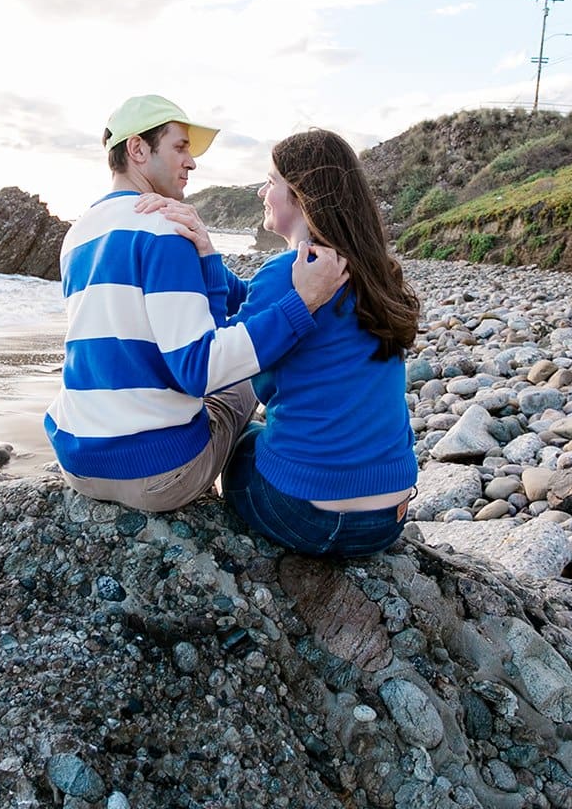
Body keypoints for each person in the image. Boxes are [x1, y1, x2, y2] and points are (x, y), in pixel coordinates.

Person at [44, 95, 349, 513]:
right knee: (242, 384)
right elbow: (201, 371)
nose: (191, 163)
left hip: (77, 463)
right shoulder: (165, 228)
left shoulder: (76, 234)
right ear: (137, 149)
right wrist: (302, 304)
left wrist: (207, 258)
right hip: (156, 476)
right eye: (180, 147)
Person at [156, 128, 420, 556]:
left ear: (300, 195)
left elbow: (225, 351)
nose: (262, 192)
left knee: (240, 438)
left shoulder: (287, 272)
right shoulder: (374, 273)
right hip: (387, 518)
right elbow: (263, 305)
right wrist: (208, 255)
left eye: (270, 181)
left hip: (308, 516)